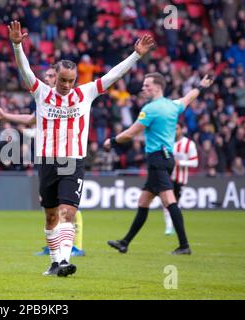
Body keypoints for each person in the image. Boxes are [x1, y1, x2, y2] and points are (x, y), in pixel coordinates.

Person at [8, 20, 155, 276]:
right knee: (51, 216)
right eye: (63, 80)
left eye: (71, 81)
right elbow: (25, 69)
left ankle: (64, 261)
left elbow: (114, 75)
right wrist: (16, 46)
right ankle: (54, 262)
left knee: (68, 212)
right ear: (56, 76)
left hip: (73, 160)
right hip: (46, 160)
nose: (66, 85)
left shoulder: (85, 93)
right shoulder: (41, 92)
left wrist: (135, 56)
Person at [105, 73, 213, 255]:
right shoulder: (172, 105)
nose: (143, 88)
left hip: (158, 159)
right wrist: (201, 86)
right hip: (166, 158)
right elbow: (189, 97)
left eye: (147, 85)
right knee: (144, 200)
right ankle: (124, 242)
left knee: (169, 201)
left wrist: (112, 141)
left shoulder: (150, 109)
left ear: (157, 87)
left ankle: (184, 246)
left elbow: (131, 133)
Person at [0, 66, 85, 257]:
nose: (47, 78)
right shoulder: (45, 99)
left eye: (50, 75)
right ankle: (57, 248)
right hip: (47, 159)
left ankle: (73, 247)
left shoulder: (71, 99)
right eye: (46, 76)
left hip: (68, 156)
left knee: (68, 208)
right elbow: (32, 119)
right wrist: (6, 116)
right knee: (52, 208)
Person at [163, 123, 198, 235]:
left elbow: (195, 162)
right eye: (172, 129)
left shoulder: (189, 144)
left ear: (182, 129)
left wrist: (180, 163)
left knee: (176, 204)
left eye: (176, 129)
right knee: (166, 201)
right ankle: (168, 226)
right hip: (167, 177)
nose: (174, 131)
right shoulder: (167, 142)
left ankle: (175, 226)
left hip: (181, 179)